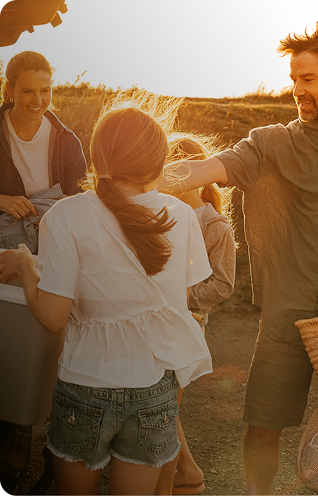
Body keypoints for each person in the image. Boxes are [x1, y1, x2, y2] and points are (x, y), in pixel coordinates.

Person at [158, 19, 318, 495]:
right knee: (262, 425)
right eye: (292, 80)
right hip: (287, 316)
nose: (297, 90)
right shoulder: (270, 142)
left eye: (308, 79)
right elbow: (209, 167)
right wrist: (139, 174)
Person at [0, 99, 213, 495]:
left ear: (97, 155)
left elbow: (51, 316)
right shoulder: (180, 215)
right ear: (158, 160)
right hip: (154, 389)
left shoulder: (65, 216)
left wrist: (26, 265)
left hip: (85, 385)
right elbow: (172, 305)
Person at [165, 133, 236, 495]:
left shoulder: (215, 225)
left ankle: (185, 474)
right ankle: (180, 474)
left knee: (164, 407)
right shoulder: (161, 213)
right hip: (159, 321)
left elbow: (222, 285)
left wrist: (182, 295)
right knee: (161, 406)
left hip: (187, 323)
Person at [0, 51, 86, 220]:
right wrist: (1, 200)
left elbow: (80, 202)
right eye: (28, 91)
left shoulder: (68, 142)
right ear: (10, 89)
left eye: (45, 90)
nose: (38, 100)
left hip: (55, 236)